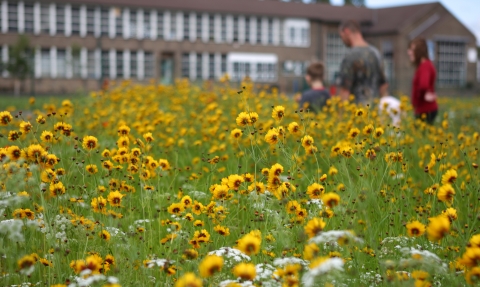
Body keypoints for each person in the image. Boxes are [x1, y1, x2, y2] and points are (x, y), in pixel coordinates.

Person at [338, 20, 388, 106]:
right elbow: (383, 86)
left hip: (356, 113)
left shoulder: (349, 56)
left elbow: (345, 90)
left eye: (341, 36)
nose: (342, 41)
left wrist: (341, 116)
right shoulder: (376, 53)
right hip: (374, 112)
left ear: (346, 31)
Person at [408, 38, 438, 125]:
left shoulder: (425, 66)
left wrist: (420, 98)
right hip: (425, 109)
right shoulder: (425, 65)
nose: (409, 52)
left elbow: (424, 85)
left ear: (419, 51)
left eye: (412, 49)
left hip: (425, 109)